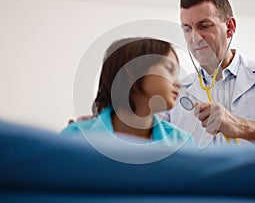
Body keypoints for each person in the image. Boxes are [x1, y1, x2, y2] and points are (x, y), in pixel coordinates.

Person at [166, 0, 255, 147]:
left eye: (204, 26)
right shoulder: (178, 93)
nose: (195, 38)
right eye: (187, 29)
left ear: (230, 27)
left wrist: (241, 127)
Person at [62, 37, 192, 145]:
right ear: (133, 72)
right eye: (169, 69)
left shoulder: (184, 144)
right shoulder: (75, 137)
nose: (178, 84)